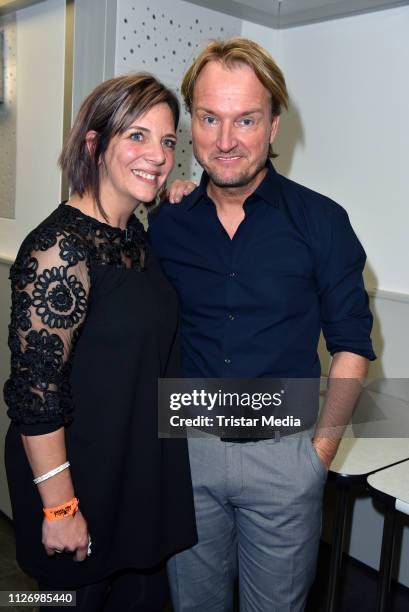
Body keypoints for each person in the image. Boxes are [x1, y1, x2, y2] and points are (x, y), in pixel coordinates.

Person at [148, 38, 376, 611]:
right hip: (187, 454)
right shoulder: (164, 223)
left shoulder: (322, 223)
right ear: (191, 123)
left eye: (246, 119)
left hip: (285, 461)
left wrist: (316, 459)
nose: (225, 142)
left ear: (274, 125)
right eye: (209, 119)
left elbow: (353, 347)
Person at [3, 73, 197, 612]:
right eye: (137, 136)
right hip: (77, 481)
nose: (157, 155)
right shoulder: (59, 248)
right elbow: (33, 394)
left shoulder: (135, 236)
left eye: (166, 142)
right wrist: (60, 507)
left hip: (133, 473)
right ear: (95, 144)